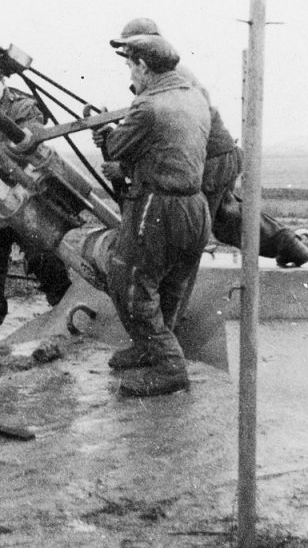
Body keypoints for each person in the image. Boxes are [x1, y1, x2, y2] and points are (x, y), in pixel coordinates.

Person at [112, 18, 308, 267]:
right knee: (225, 218)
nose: (127, 57)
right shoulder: (173, 73)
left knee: (187, 231)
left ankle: (174, 285)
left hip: (208, 156)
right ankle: (290, 245)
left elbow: (164, 122)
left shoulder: (166, 76)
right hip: (217, 153)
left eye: (131, 49)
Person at [92, 33, 211, 397]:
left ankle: (169, 367)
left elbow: (114, 149)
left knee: (128, 282)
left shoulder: (148, 107)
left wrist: (105, 134)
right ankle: (150, 349)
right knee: (171, 284)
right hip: (195, 206)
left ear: (143, 66)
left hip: (158, 206)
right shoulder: (195, 98)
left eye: (131, 65)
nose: (131, 73)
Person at [0, 60, 72, 349]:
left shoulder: (23, 107)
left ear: (3, 84)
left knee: (46, 260)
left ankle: (69, 317)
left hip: (27, 195)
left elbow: (23, 147)